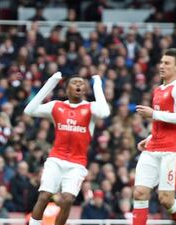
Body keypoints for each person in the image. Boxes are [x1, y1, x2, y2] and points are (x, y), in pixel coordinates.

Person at [24, 72, 110, 225]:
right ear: (66, 89)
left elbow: (105, 112)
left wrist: (97, 83)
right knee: (44, 196)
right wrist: (51, 82)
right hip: (56, 159)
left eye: (82, 83)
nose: (78, 85)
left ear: (85, 90)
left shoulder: (90, 108)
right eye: (75, 82)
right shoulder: (56, 106)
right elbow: (29, 111)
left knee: (68, 200)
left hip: (77, 163)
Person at [133, 48, 176, 225]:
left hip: (171, 150)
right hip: (153, 147)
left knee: (165, 199)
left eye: (167, 63)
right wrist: (150, 137)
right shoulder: (159, 89)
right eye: (161, 62)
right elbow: (163, 120)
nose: (162, 66)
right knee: (139, 192)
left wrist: (153, 114)